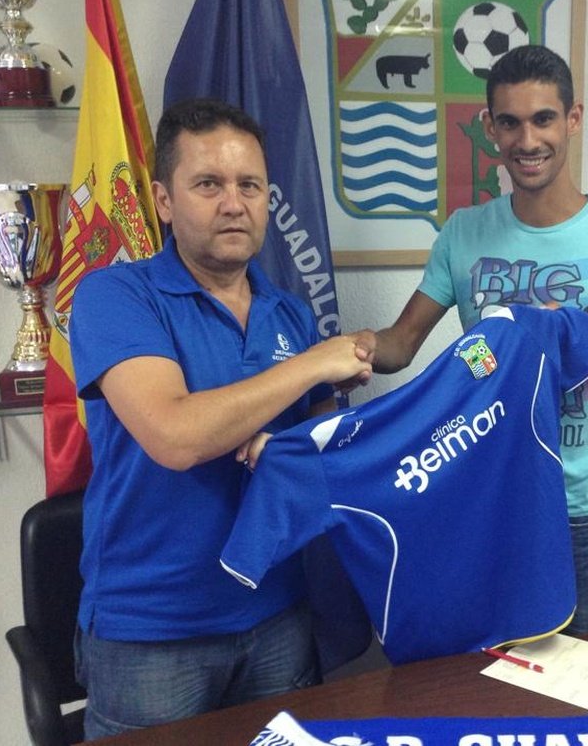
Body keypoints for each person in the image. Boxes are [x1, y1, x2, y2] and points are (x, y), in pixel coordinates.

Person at [69, 97, 371, 737]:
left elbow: (324, 453)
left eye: (250, 185)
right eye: (208, 184)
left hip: (279, 615)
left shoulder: (290, 313)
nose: (234, 203)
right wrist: (312, 365)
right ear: (163, 200)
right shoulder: (114, 296)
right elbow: (176, 437)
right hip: (152, 634)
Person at [356, 45, 588, 634]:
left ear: (573, 119)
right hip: (483, 495)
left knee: (580, 695)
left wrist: (582, 340)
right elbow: (399, 345)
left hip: (573, 508)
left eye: (543, 119)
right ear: (489, 128)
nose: (527, 140)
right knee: (489, 681)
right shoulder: (464, 232)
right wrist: (332, 352)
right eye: (509, 122)